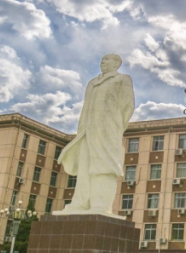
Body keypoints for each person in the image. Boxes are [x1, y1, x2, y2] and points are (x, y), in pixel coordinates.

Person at [56, 54, 135, 216]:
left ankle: (100, 204)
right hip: (87, 130)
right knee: (85, 167)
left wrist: (115, 125)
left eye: (107, 60)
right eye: (101, 60)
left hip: (108, 129)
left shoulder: (122, 79)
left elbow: (128, 105)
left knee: (104, 166)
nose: (102, 62)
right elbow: (85, 107)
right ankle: (80, 203)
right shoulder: (93, 82)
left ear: (116, 63)